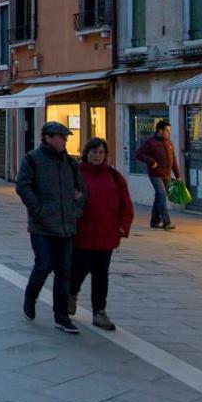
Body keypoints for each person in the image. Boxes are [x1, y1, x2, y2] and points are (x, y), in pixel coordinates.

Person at [16, 121, 86, 334]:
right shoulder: (33, 159)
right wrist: (38, 210)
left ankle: (61, 316)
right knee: (44, 265)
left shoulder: (69, 162)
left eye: (65, 137)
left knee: (64, 272)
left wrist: (76, 209)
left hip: (66, 225)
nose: (65, 140)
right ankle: (31, 295)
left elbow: (81, 189)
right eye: (61, 136)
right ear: (47, 137)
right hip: (42, 226)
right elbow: (23, 186)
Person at [71, 137, 134, 331]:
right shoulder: (76, 175)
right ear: (86, 153)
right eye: (93, 152)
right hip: (82, 233)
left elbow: (126, 204)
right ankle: (70, 295)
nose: (97, 156)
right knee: (79, 270)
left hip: (107, 235)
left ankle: (99, 312)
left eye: (101, 152)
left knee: (101, 275)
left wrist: (123, 227)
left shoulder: (114, 176)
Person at [134, 120, 181, 230]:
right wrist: (151, 161)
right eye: (166, 131)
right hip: (155, 174)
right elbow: (138, 154)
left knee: (158, 197)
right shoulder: (150, 142)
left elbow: (173, 160)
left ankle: (154, 221)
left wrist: (178, 175)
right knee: (162, 196)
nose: (168, 133)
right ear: (160, 130)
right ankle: (166, 222)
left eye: (169, 131)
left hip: (167, 175)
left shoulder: (169, 143)